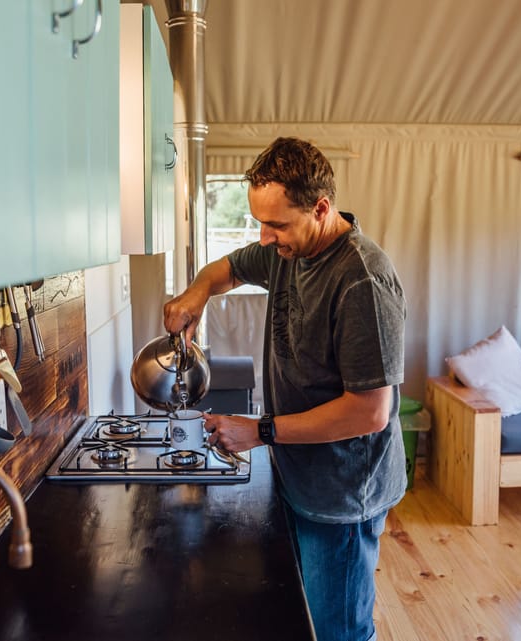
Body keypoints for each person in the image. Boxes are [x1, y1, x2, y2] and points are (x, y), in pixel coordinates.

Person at [163, 136, 406, 641]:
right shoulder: (286, 252)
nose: (266, 237)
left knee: (337, 631)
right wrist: (195, 295)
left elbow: (370, 412)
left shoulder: (362, 279)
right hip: (297, 473)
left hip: (342, 492)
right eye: (259, 222)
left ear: (321, 208)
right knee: (302, 622)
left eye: (276, 224)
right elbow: (225, 269)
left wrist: (261, 431)